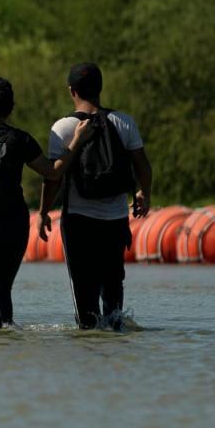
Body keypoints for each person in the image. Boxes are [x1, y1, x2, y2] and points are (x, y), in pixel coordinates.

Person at [0, 77, 94, 329]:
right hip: (14, 224)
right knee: (3, 288)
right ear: (10, 108)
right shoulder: (21, 140)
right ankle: (7, 338)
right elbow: (53, 172)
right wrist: (77, 139)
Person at [38, 63, 153, 330]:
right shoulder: (123, 122)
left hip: (79, 220)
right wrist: (143, 194)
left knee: (83, 295)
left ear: (72, 91)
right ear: (100, 89)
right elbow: (143, 167)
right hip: (115, 219)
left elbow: (53, 177)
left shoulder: (64, 127)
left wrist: (43, 212)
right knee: (113, 290)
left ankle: (90, 349)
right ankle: (114, 341)